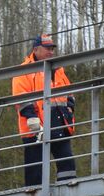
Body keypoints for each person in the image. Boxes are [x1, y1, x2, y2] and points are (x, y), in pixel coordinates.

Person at [11, 33, 76, 187]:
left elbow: (69, 94)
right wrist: (32, 120)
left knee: (67, 165)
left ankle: (67, 193)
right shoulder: (24, 71)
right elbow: (21, 97)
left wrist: (69, 111)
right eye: (47, 48)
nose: (51, 52)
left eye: (52, 48)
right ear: (36, 50)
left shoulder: (58, 70)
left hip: (59, 124)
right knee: (35, 170)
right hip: (35, 129)